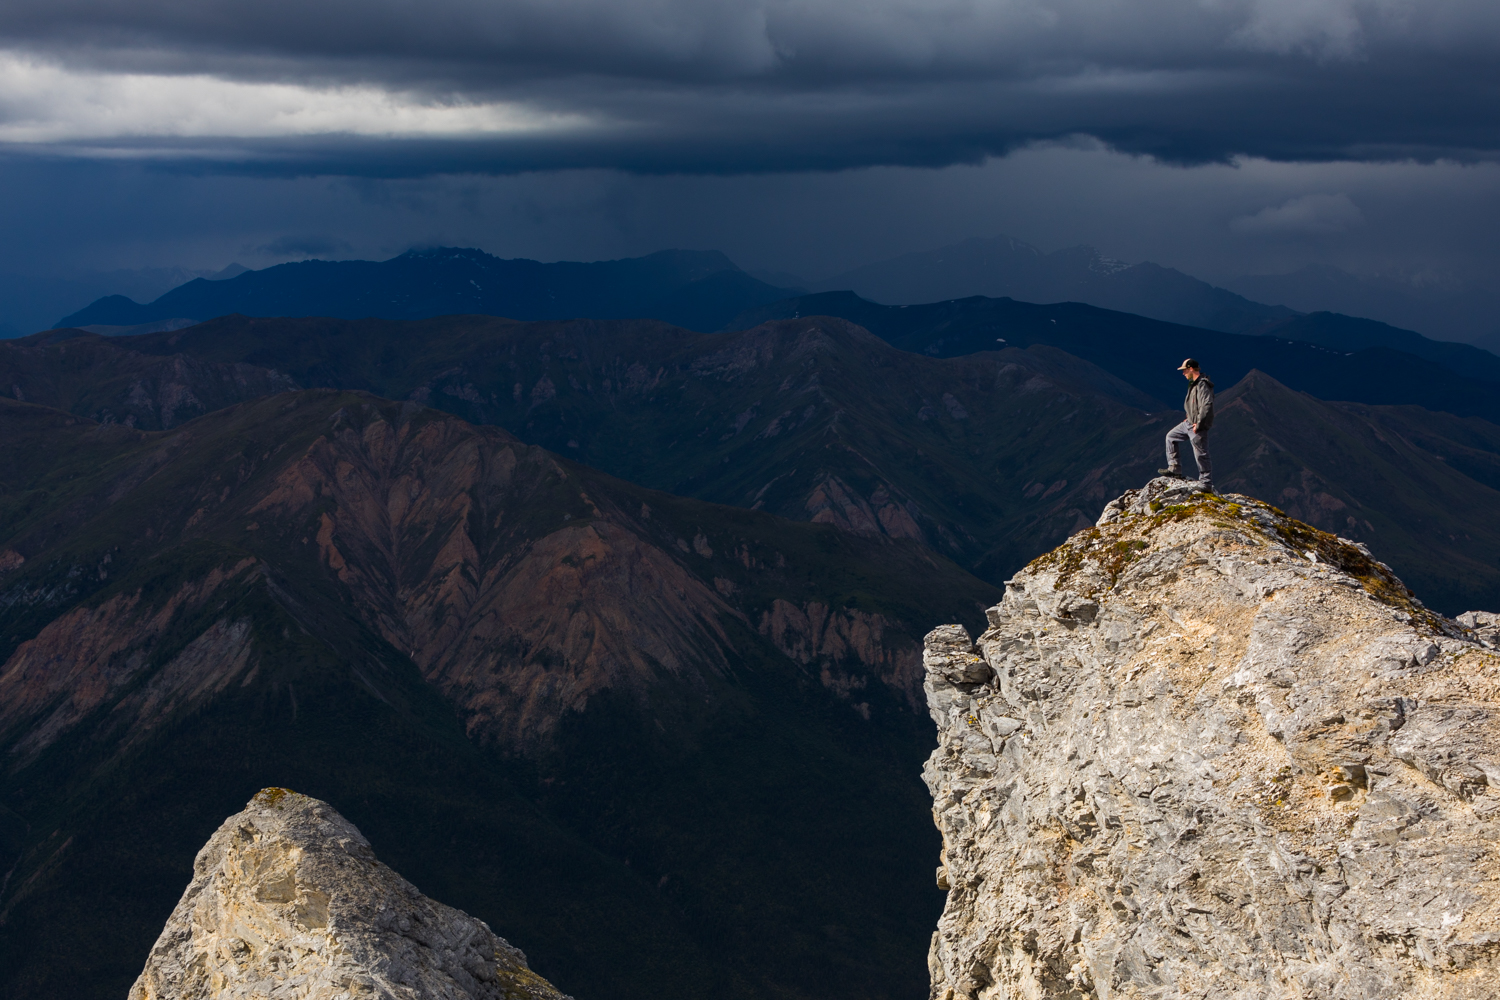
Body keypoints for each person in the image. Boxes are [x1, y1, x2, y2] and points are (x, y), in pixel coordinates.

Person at [1159, 358, 1214, 490]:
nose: (1183, 373)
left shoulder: (1202, 385)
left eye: (1184, 370)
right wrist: (1189, 416)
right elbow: (1194, 404)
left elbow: (1206, 405)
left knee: (1201, 453)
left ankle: (1206, 483)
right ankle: (1174, 468)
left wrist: (1199, 423)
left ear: (1190, 369)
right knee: (1171, 437)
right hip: (1189, 422)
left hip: (1197, 425)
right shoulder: (1194, 383)